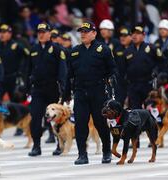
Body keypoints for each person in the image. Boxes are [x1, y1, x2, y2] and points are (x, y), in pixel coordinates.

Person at [66, 21, 116, 164]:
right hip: (80, 92)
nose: (83, 34)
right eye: (81, 31)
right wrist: (66, 94)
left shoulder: (103, 49)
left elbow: (113, 70)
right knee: (80, 124)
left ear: (94, 33)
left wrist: (112, 87)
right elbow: (69, 75)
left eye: (86, 31)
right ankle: (82, 154)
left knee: (100, 123)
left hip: (98, 92)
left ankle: (106, 151)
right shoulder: (75, 51)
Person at [27, 23, 67, 156]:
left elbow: (62, 70)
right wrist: (27, 87)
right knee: (36, 117)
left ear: (50, 33)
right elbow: (28, 70)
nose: (41, 34)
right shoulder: (33, 49)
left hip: (52, 88)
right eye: (39, 32)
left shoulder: (56, 49)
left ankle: (59, 144)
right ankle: (36, 146)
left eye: (44, 32)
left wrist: (63, 87)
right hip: (38, 89)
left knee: (57, 118)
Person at [0, 24, 30, 136]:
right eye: (0, 32)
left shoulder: (17, 45)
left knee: (15, 103)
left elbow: (28, 57)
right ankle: (1, 122)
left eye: (5, 32)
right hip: (1, 78)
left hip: (14, 77)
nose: (2, 34)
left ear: (10, 33)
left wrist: (22, 72)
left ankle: (20, 124)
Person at [124, 25, 165, 109]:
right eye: (133, 34)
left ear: (143, 35)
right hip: (133, 85)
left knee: (150, 108)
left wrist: (156, 71)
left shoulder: (151, 48)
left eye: (138, 33)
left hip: (148, 84)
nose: (134, 36)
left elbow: (162, 61)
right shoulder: (127, 51)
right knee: (135, 110)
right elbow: (123, 68)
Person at [113, 27, 132, 105]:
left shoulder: (135, 49)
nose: (122, 38)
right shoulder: (117, 50)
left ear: (131, 37)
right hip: (120, 82)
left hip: (132, 82)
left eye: (125, 36)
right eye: (121, 36)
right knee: (118, 104)